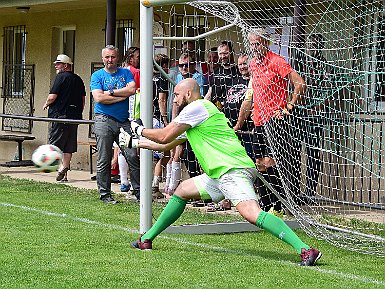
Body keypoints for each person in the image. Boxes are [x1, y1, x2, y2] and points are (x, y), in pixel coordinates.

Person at [119, 78, 321, 266]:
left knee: (252, 214)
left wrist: (138, 129)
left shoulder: (196, 108)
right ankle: (146, 239)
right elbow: (165, 146)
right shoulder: (200, 114)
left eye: (178, 95)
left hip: (232, 170)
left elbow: (163, 136)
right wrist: (134, 142)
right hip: (219, 174)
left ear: (189, 93)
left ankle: (305, 249)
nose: (176, 99)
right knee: (181, 190)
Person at [247, 28, 306, 215]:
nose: (254, 47)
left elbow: (300, 83)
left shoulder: (277, 61)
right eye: (252, 44)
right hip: (258, 120)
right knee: (259, 163)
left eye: (257, 43)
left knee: (271, 162)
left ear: (266, 42)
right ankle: (265, 205)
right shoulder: (253, 64)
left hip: (275, 119)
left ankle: (278, 205)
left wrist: (289, 106)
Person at [90, 45, 138, 203]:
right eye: (107, 57)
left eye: (113, 57)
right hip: (104, 120)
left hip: (123, 122)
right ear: (103, 58)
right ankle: (105, 194)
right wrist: (121, 96)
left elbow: (132, 90)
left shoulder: (126, 73)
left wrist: (110, 93)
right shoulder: (97, 76)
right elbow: (99, 98)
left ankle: (139, 192)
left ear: (118, 58)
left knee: (132, 155)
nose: (110, 60)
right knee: (104, 158)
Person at [43, 54, 86, 182]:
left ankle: (62, 168)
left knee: (55, 145)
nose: (56, 66)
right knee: (69, 145)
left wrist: (46, 104)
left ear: (66, 65)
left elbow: (52, 96)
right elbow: (83, 99)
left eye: (58, 63)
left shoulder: (60, 77)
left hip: (59, 116)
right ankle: (65, 173)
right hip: (74, 117)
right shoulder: (78, 79)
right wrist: (78, 112)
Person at [117, 46, 141, 195]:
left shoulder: (121, 71)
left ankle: (124, 180)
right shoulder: (135, 72)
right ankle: (134, 183)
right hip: (134, 113)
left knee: (122, 145)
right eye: (138, 57)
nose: (140, 59)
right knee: (134, 148)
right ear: (131, 57)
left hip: (121, 113)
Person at [224, 53, 255, 159]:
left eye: (245, 64)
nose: (242, 67)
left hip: (247, 133)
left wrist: (238, 125)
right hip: (231, 131)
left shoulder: (254, 81)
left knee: (248, 160)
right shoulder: (233, 80)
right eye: (240, 64)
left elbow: (249, 103)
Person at [205, 41, 240, 110]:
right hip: (214, 110)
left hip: (230, 110)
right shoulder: (216, 71)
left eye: (225, 53)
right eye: (220, 54)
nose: (223, 56)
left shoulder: (238, 71)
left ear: (232, 53)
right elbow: (210, 91)